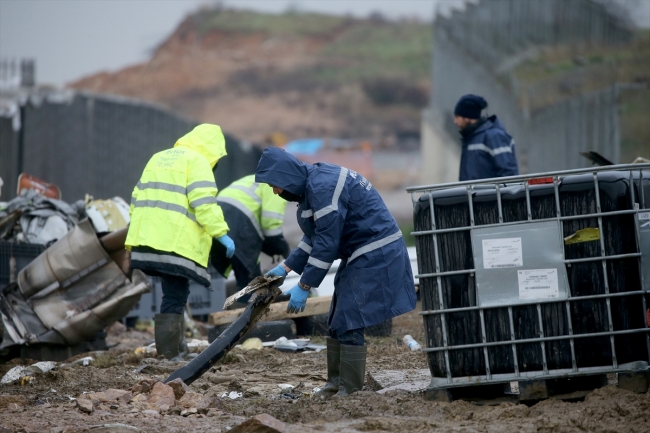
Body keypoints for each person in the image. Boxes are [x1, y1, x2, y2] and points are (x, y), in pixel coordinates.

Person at [256, 147, 416, 397]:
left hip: (377, 251)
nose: (275, 192)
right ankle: (335, 384)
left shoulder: (322, 188)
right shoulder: (310, 188)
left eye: (274, 185)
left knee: (350, 315)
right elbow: (314, 237)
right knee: (337, 317)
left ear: (286, 176)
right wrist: (286, 268)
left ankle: (350, 390)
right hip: (361, 253)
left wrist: (305, 285)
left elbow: (327, 243)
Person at [125, 123, 235, 360]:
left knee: (172, 292)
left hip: (146, 240)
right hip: (174, 243)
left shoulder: (158, 158)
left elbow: (136, 198)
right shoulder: (198, 162)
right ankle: (169, 355)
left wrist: (136, 237)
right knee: (175, 295)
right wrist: (221, 233)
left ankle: (177, 349)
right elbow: (204, 203)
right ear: (212, 150)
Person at [210, 174, 290, 294]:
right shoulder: (278, 186)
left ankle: (242, 306)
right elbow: (270, 226)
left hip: (217, 217)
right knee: (253, 284)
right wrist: (286, 252)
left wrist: (272, 248)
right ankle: (249, 309)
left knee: (243, 276)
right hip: (240, 220)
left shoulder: (257, 179)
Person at [453, 94, 519, 181]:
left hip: (491, 195)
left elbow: (509, 174)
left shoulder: (494, 137)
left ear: (467, 117)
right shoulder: (471, 139)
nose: (455, 121)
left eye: (457, 117)